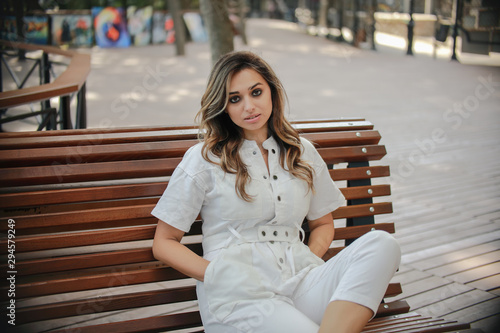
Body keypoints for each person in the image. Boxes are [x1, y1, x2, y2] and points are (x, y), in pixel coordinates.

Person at [152, 51, 401, 333]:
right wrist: (216, 274)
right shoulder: (204, 159)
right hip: (241, 297)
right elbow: (164, 241)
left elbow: (322, 223)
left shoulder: (301, 151)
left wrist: (308, 260)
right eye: (235, 99)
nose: (249, 106)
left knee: (382, 244)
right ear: (223, 106)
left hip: (301, 282)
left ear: (271, 91)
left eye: (256, 92)